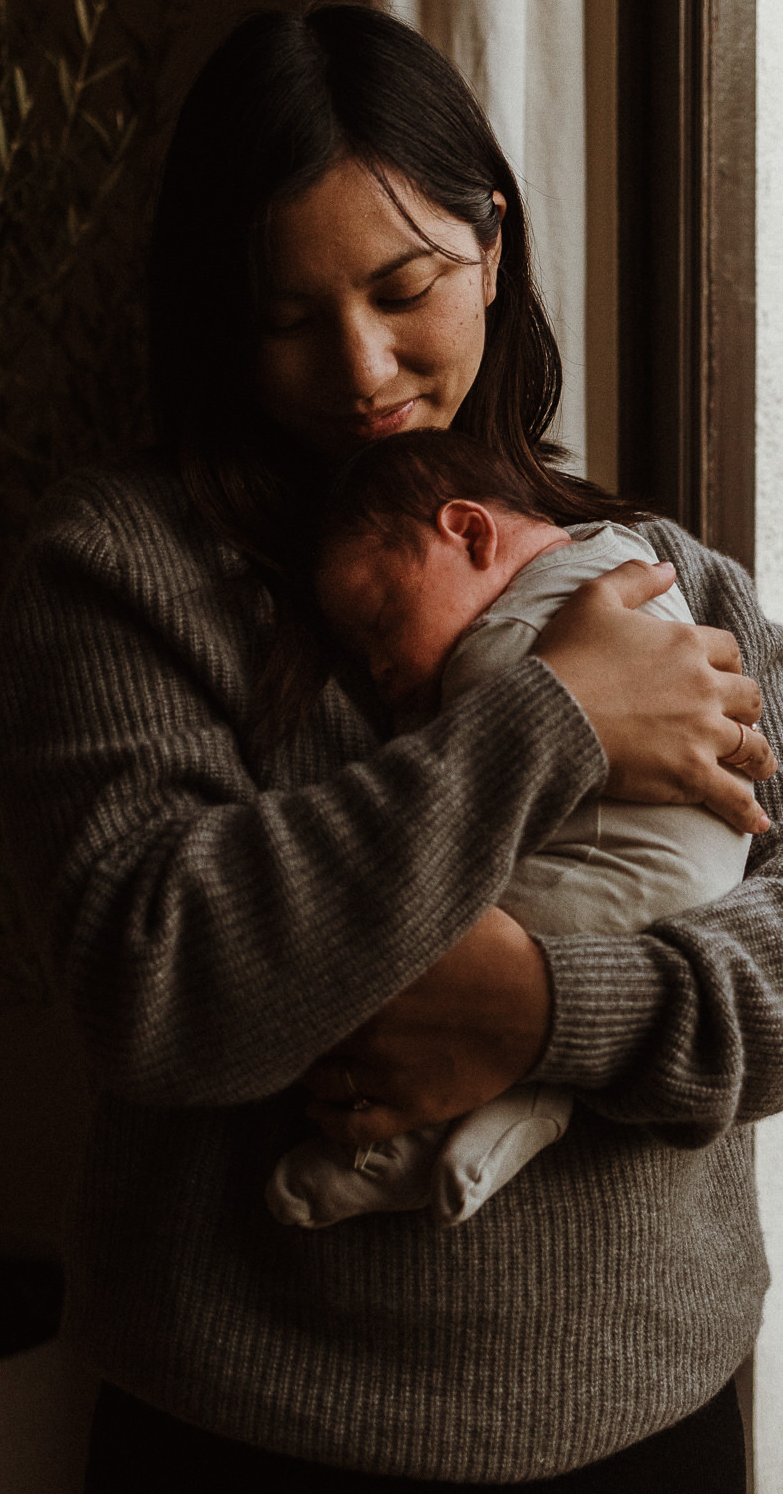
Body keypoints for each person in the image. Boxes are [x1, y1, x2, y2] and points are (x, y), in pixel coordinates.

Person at [0, 4, 783, 1494]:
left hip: (639, 1465)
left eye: (400, 287)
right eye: (285, 316)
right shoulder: (123, 569)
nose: (354, 369)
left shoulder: (653, 578)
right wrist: (548, 725)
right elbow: (153, 981)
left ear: (490, 250)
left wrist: (540, 1010)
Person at [266, 427, 753, 1230]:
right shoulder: (614, 560)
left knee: (403, 932)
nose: (380, 672)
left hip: (613, 868)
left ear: (468, 531)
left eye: (383, 622)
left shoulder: (528, 627)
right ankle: (520, 1106)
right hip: (676, 891)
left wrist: (540, 1010)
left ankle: (410, 1139)